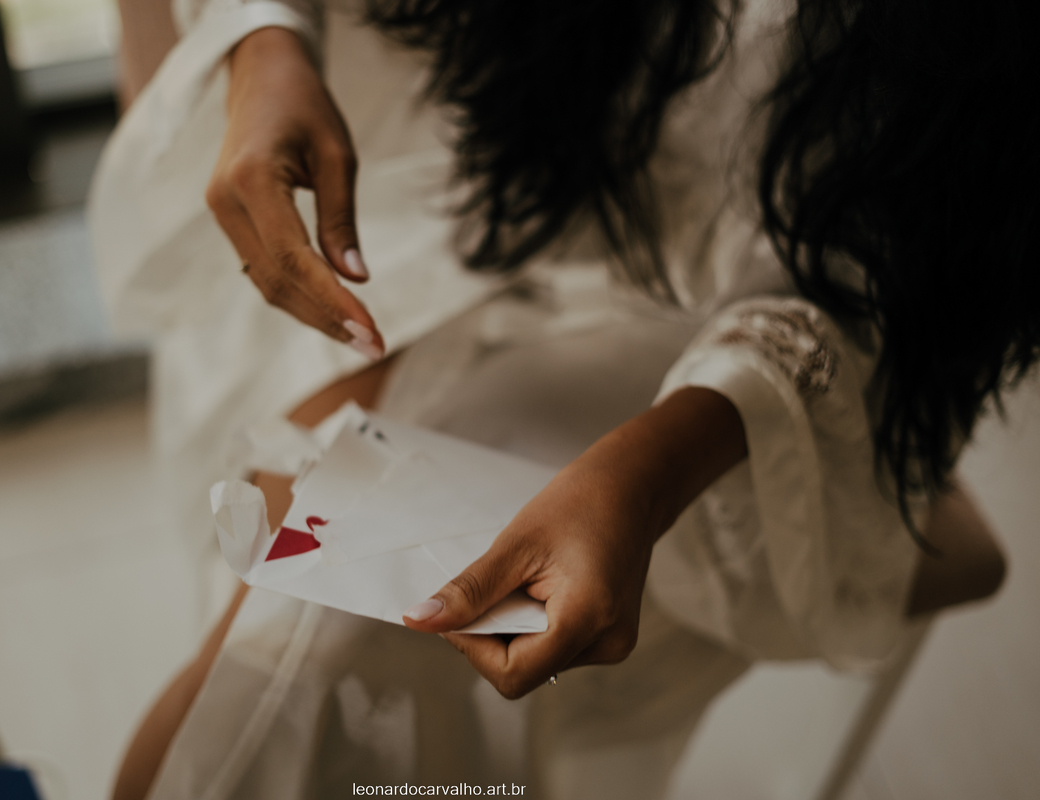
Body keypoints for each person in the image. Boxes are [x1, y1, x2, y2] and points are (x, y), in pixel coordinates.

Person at [90, 0, 1030, 797]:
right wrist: (266, 40)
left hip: (739, 339)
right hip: (428, 169)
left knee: (329, 654)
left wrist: (647, 474)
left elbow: (888, 273)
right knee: (277, 658)